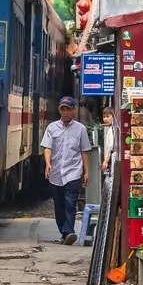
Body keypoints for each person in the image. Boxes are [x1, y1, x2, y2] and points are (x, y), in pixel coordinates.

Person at [40, 96, 94, 245]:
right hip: (56, 173)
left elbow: (84, 151)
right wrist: (48, 164)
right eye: (63, 110)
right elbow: (47, 148)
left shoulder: (80, 129)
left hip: (73, 172)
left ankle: (69, 231)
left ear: (73, 110)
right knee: (59, 204)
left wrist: (86, 171)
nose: (65, 113)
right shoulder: (52, 128)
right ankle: (64, 233)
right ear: (59, 111)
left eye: (68, 109)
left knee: (71, 202)